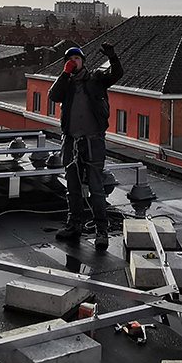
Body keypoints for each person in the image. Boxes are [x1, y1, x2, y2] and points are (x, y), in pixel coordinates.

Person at [48, 43, 122, 251]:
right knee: (72, 187)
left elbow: (116, 74)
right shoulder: (66, 84)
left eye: (77, 58)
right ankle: (74, 225)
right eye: (69, 60)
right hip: (71, 141)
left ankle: (101, 231)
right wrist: (65, 75)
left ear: (84, 62)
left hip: (93, 140)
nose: (73, 61)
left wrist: (113, 57)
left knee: (96, 188)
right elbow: (53, 96)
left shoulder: (96, 80)